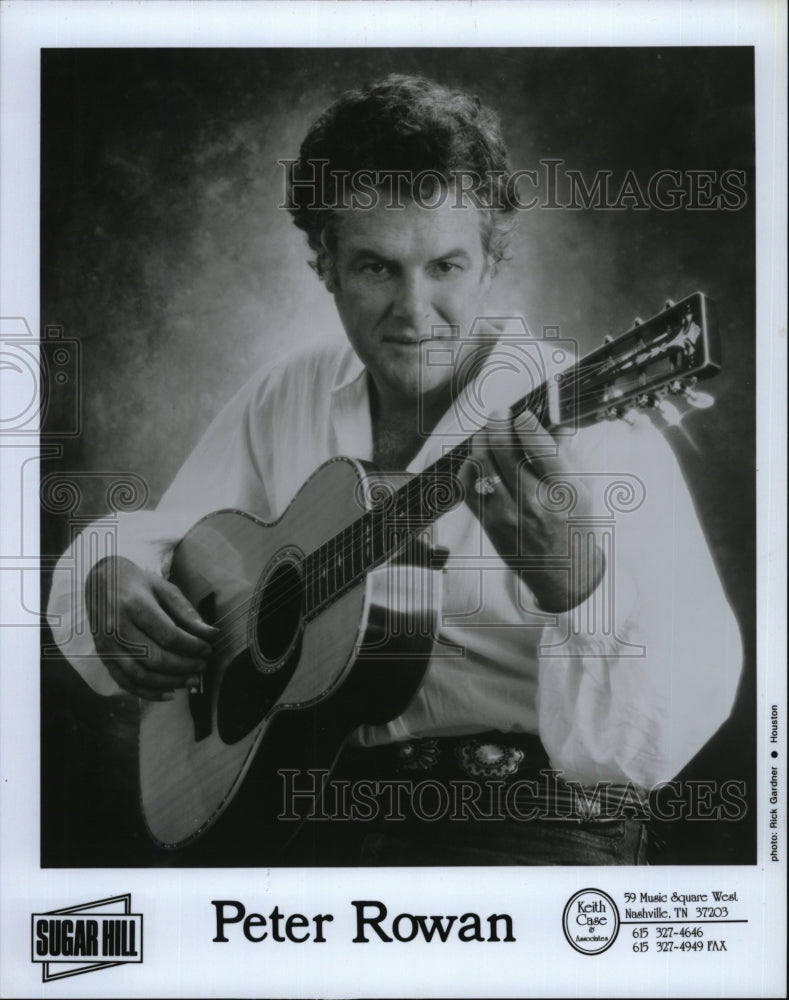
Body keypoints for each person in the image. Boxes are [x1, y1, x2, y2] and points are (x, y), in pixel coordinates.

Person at [47, 74, 742, 865]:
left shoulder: (594, 435)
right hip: (300, 821)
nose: (414, 313)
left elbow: (648, 745)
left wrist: (578, 587)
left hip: (532, 832)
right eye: (377, 268)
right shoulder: (285, 393)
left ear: (491, 259)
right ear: (325, 265)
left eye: (445, 267)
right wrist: (109, 569)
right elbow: (178, 545)